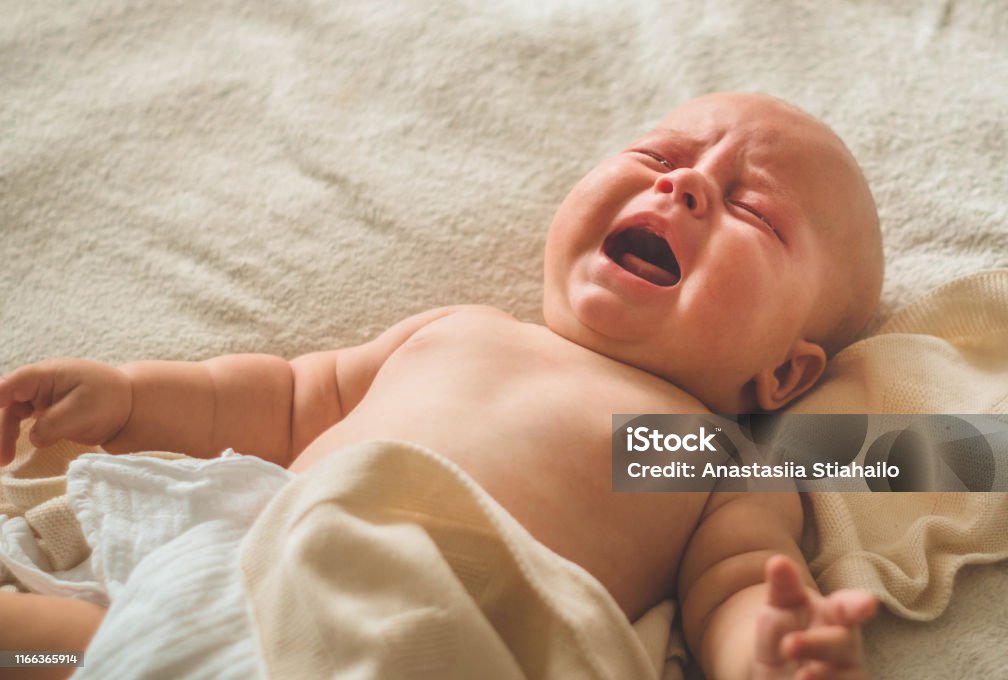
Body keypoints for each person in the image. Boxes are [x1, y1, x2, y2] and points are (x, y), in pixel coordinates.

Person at [0, 91, 884, 680]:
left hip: (433, 637)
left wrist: (768, 646)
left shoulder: (698, 445)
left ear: (783, 374)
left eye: (755, 212)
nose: (687, 183)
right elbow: (277, 400)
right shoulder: (460, 330)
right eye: (657, 157)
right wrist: (128, 397)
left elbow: (730, 585)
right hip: (238, 587)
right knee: (61, 644)